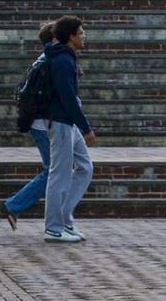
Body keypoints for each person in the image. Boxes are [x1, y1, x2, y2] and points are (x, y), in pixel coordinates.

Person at [41, 15, 95, 243]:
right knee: (59, 175)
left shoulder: (66, 58)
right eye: (80, 32)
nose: (84, 36)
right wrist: (86, 128)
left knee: (85, 167)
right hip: (61, 122)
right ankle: (53, 228)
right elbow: (68, 99)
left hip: (67, 122)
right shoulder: (62, 61)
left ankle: (64, 219)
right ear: (71, 36)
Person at [3, 19, 59, 228]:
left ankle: (16, 206)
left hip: (40, 123)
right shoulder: (48, 62)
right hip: (43, 124)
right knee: (53, 170)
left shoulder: (43, 60)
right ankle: (15, 205)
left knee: (56, 169)